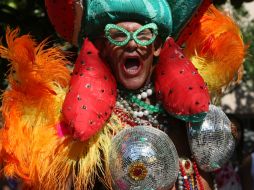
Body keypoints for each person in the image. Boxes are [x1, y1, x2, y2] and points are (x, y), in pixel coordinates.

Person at [0, 0, 245, 189]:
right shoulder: (78, 127)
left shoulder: (187, 120)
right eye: (118, 35)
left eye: (144, 34)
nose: (131, 44)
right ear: (103, 47)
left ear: (157, 47)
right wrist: (63, 139)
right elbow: (55, 162)